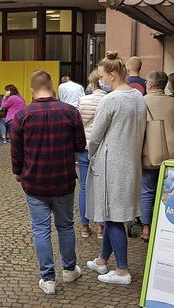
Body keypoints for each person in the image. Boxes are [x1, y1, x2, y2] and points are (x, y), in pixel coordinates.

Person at [11, 70, 86, 295]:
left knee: (40, 229)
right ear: (52, 86)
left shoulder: (22, 116)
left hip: (34, 182)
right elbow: (80, 145)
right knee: (65, 225)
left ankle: (48, 278)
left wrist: (18, 172)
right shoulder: (70, 112)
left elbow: (16, 153)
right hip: (63, 180)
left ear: (32, 89)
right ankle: (69, 269)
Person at [85, 51, 146, 285]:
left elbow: (96, 136)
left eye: (102, 77)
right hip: (130, 162)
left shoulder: (111, 100)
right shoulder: (138, 96)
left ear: (112, 75)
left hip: (111, 164)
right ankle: (102, 260)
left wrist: (90, 154)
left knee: (112, 217)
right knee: (115, 214)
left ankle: (122, 270)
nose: (100, 81)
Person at [140, 70, 174, 243]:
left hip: (149, 151)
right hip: (171, 152)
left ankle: (146, 228)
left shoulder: (141, 101)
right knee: (171, 190)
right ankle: (168, 226)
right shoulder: (173, 103)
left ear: (150, 85)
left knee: (147, 190)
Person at [78, 69, 107, 239]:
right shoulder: (109, 100)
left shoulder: (83, 100)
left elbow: (79, 124)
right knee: (101, 187)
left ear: (91, 83)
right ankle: (101, 228)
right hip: (102, 148)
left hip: (85, 147)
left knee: (84, 187)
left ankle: (84, 225)